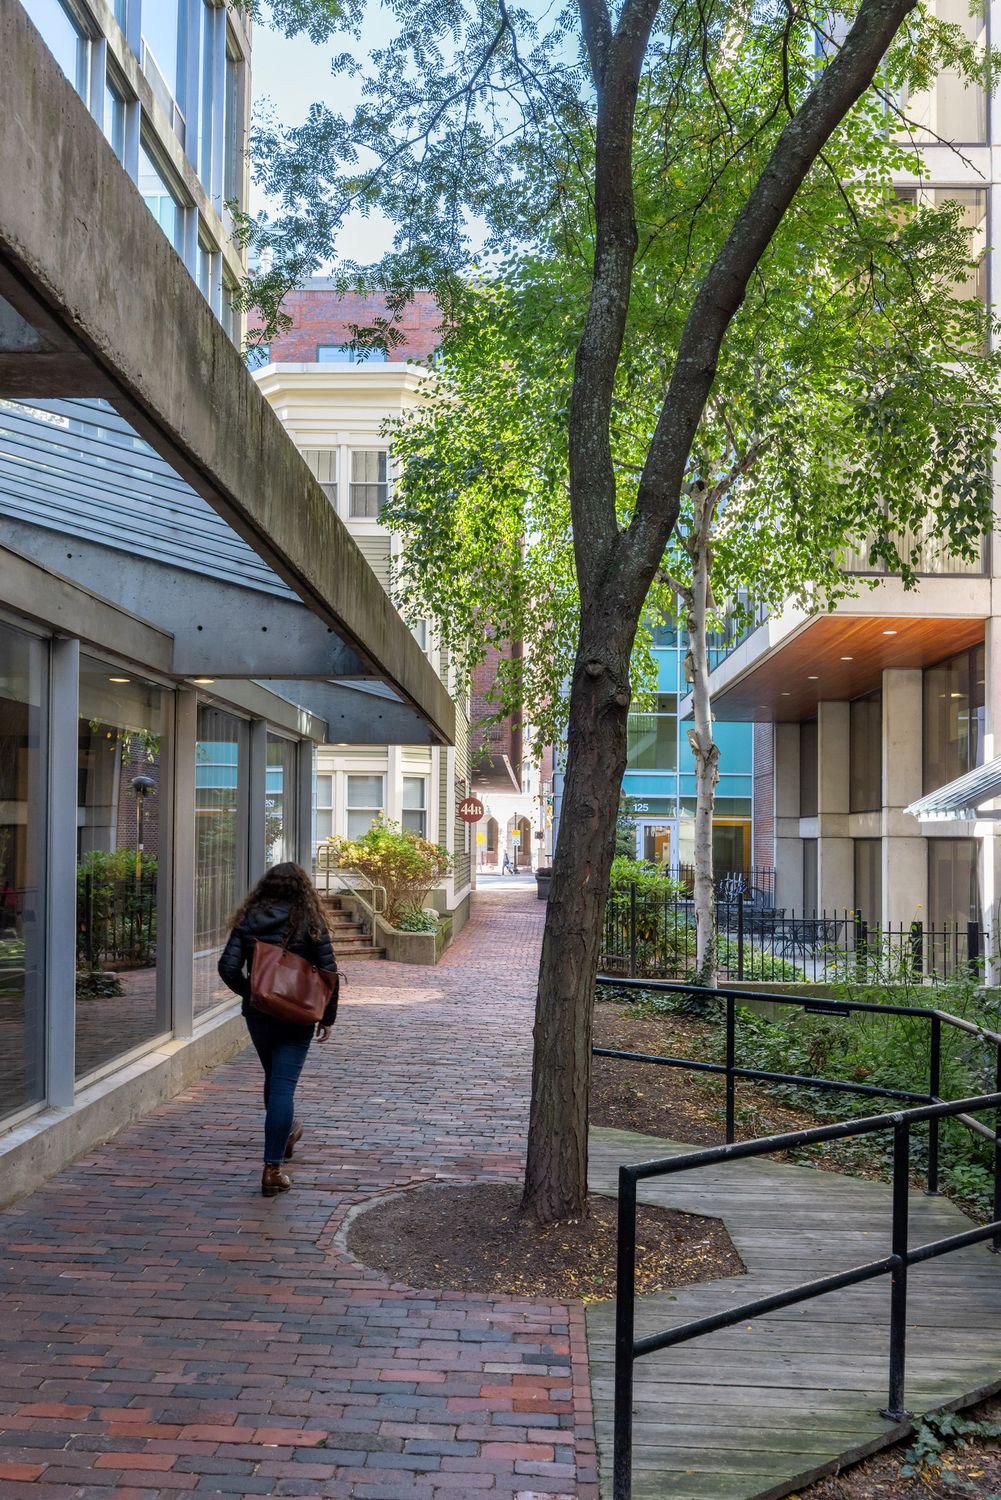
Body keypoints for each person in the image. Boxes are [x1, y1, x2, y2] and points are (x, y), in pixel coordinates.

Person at [218, 862, 338, 1197]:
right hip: (298, 1015)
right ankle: (272, 1168)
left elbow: (227, 967)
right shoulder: (310, 920)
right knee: (283, 1086)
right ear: (303, 889)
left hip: (259, 1015)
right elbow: (328, 972)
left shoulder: (249, 918)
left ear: (266, 887)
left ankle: (283, 1138)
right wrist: (327, 1016)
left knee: (274, 1080)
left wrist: (254, 994)